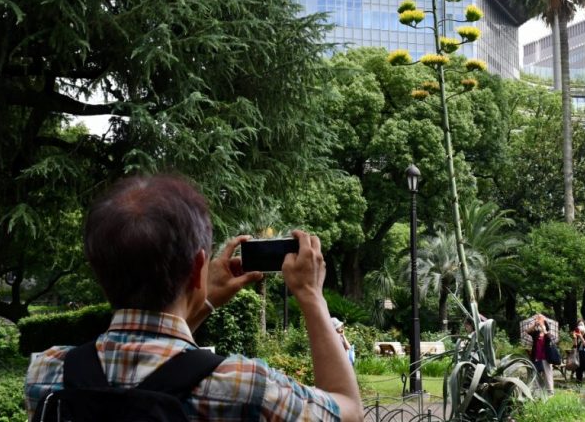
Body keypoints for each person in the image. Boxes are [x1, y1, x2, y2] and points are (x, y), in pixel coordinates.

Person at [24, 174, 363, 421]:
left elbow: (145, 376)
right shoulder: (245, 387)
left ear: (98, 270)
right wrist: (310, 295)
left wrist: (200, 302)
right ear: (198, 264)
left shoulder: (48, 374)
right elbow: (347, 410)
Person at [528, 314, 555, 396]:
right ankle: (537, 392)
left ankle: (550, 392)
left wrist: (544, 329)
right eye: (538, 320)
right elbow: (528, 331)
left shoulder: (548, 333)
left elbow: (549, 339)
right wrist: (535, 324)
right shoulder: (536, 333)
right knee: (536, 375)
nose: (539, 321)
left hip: (546, 358)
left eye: (541, 320)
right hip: (536, 357)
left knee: (548, 375)